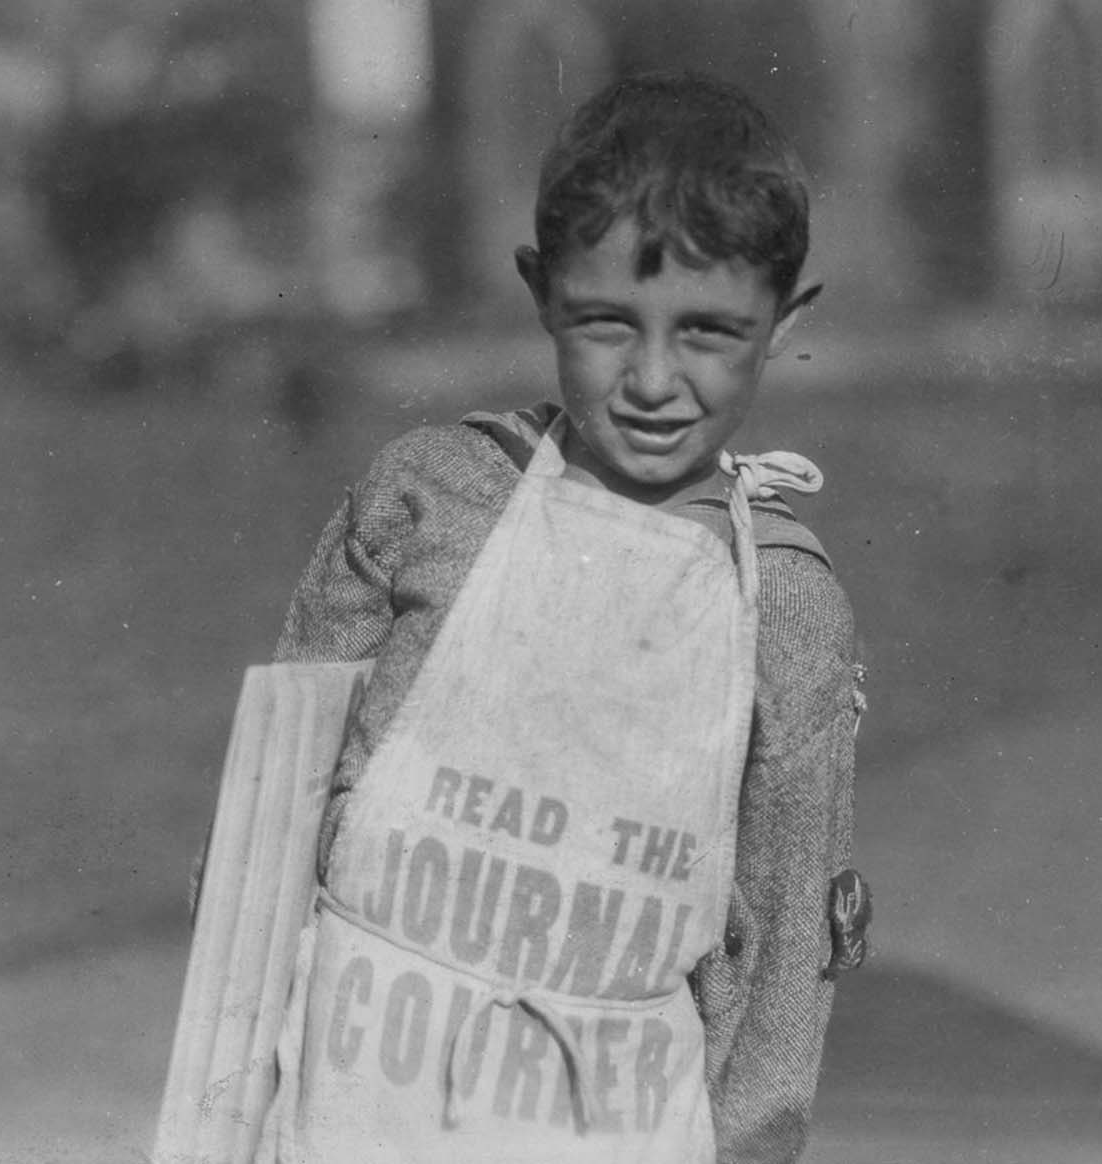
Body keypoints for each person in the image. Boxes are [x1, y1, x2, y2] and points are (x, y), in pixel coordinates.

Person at [261, 70, 868, 1164]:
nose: (650, 379)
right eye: (604, 324)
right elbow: (273, 806)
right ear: (542, 291)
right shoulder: (430, 496)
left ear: (785, 321)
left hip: (611, 1127)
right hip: (354, 1102)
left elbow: (779, 961)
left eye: (708, 333)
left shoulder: (779, 599)